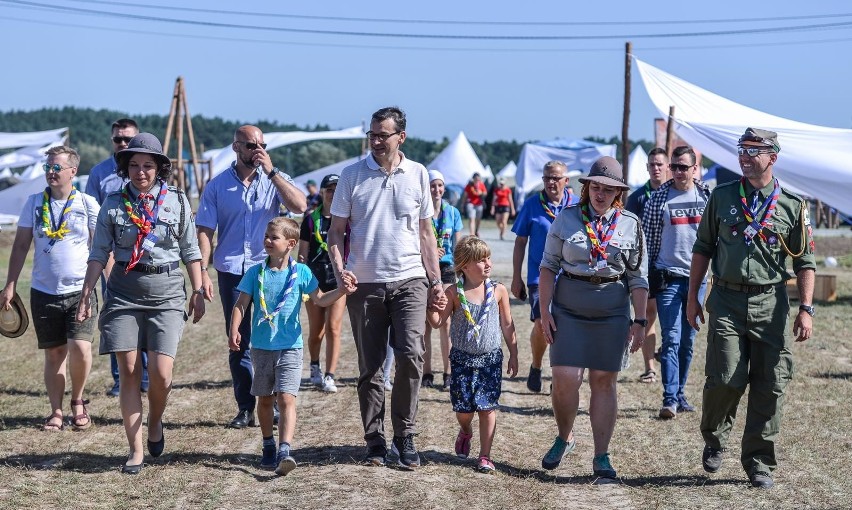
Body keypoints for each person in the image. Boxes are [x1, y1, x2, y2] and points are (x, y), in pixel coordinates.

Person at [687, 128, 815, 489]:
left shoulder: (792, 205)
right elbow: (703, 248)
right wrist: (692, 296)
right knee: (725, 376)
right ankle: (714, 438)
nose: (744, 156)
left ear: (772, 156)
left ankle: (759, 462)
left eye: (753, 150)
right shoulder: (723, 197)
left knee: (771, 383)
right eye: (741, 149)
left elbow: (805, 261)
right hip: (726, 300)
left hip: (771, 302)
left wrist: (806, 308)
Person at [77, 133, 205, 474]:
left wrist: (198, 289)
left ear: (159, 169)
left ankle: (156, 422)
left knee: (162, 375)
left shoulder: (176, 201)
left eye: (147, 166)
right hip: (123, 292)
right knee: (130, 371)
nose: (140, 172)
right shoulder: (113, 204)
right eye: (133, 165)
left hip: (166, 292)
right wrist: (88, 292)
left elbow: (191, 251)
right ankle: (135, 451)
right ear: (125, 168)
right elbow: (97, 253)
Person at [328, 106, 446, 470]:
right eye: (373, 135)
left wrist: (436, 280)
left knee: (412, 355)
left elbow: (426, 234)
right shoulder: (351, 175)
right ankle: (375, 440)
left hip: (410, 279)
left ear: (401, 137)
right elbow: (335, 232)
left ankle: (405, 435)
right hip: (364, 283)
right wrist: (339, 271)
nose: (376, 141)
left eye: (383, 135)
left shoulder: (418, 174)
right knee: (371, 367)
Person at [538, 156, 648, 479]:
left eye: (608, 189)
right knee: (565, 378)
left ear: (619, 193)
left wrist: (640, 320)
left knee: (603, 381)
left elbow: (638, 279)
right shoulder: (566, 219)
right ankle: (565, 436)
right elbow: (548, 267)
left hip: (612, 310)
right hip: (569, 309)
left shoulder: (630, 224)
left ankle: (601, 456)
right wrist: (544, 311)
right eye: (595, 187)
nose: (600, 194)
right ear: (587, 188)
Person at [196, 125, 307, 429]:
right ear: (235, 148)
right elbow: (204, 229)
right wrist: (203, 271)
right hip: (232, 269)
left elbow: (299, 206)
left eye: (261, 145)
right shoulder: (217, 186)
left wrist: (272, 173)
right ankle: (247, 407)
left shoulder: (274, 178)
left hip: (268, 270)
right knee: (238, 340)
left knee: (272, 337)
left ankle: (269, 403)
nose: (256, 151)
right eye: (249, 146)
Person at [230, 217, 348, 476]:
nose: (268, 241)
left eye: (274, 237)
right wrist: (234, 330)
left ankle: (285, 449)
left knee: (286, 398)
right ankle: (268, 444)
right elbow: (240, 304)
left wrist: (341, 291)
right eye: (267, 236)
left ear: (291, 244)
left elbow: (320, 299)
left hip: (290, 348)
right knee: (264, 399)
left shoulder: (302, 273)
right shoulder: (255, 273)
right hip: (261, 348)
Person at [1, 146, 100, 431]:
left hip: (80, 291)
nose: (51, 172)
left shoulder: (87, 203)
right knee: (54, 354)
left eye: (57, 167)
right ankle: (55, 411)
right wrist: (9, 285)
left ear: (73, 171)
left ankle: (78, 401)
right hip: (43, 291)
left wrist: (110, 285)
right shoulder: (33, 202)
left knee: (80, 348)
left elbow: (100, 249)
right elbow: (20, 245)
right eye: (48, 167)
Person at [427, 236, 518, 474]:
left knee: (488, 408)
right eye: (480, 260)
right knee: (464, 410)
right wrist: (431, 306)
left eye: (488, 258)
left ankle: (485, 456)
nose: (488, 264)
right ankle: (466, 430)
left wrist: (514, 353)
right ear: (464, 266)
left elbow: (507, 324)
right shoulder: (454, 292)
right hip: (461, 360)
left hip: (490, 359)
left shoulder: (498, 290)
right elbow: (437, 323)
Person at [642, 146, 711, 419]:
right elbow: (646, 242)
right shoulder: (658, 198)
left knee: (688, 341)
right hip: (668, 277)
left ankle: (680, 393)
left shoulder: (707, 197)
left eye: (684, 167)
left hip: (698, 279)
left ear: (695, 168)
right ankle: (669, 398)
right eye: (675, 167)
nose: (678, 172)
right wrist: (644, 278)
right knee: (671, 338)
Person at [84, 118, 149, 396]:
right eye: (118, 139)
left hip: (147, 256)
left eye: (128, 140)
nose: (123, 144)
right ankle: (122, 379)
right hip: (114, 258)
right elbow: (93, 222)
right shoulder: (99, 174)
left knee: (147, 317)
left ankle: (146, 376)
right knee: (116, 317)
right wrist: (105, 262)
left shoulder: (149, 170)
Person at [510, 160, 578, 393]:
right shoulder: (532, 205)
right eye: (547, 178)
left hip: (572, 277)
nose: (551, 182)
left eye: (556, 178)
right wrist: (516, 277)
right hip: (539, 278)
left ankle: (559, 377)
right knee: (542, 323)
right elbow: (520, 242)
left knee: (567, 328)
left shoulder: (577, 205)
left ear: (566, 181)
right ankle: (537, 366)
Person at [299, 174, 349, 393]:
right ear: (321, 192)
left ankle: (330, 375)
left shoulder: (347, 219)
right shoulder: (310, 219)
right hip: (314, 280)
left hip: (337, 280)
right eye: (329, 189)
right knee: (316, 331)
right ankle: (314, 366)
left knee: (334, 328)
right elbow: (302, 254)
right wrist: (301, 280)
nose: (333, 193)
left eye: (337, 189)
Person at [625, 147, 669, 384]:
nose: (655, 168)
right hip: (648, 266)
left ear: (667, 166)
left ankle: (666, 352)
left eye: (660, 164)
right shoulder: (638, 197)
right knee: (649, 316)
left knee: (675, 319)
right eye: (652, 164)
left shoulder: (676, 194)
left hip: (674, 266)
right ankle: (650, 367)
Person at [423, 170, 463, 390]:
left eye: (439, 185)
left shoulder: (453, 212)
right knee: (425, 323)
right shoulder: (421, 212)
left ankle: (448, 373)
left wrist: (460, 268)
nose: (436, 190)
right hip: (424, 268)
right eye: (431, 185)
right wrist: (428, 253)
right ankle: (426, 372)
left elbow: (457, 245)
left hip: (447, 268)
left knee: (445, 321)